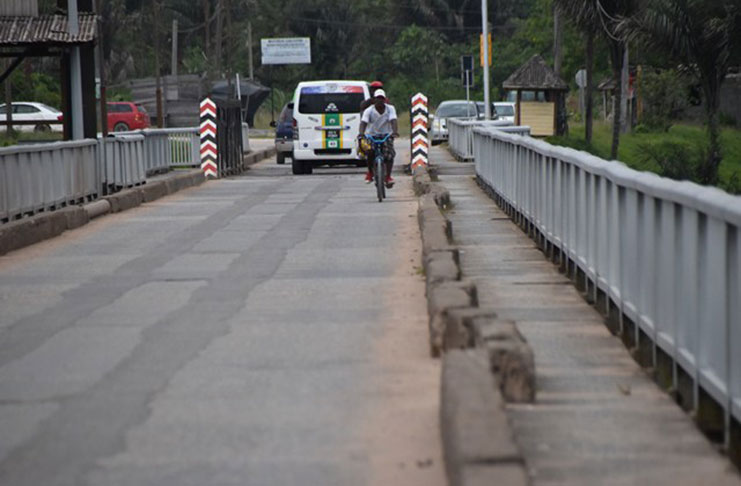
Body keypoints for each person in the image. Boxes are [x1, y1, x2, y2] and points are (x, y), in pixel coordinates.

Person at [358, 88, 399, 188]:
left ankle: (388, 176)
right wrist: (361, 134)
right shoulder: (369, 110)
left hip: (386, 134)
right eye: (378, 98)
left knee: (389, 155)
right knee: (369, 152)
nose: (380, 101)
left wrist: (394, 132)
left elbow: (393, 121)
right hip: (371, 135)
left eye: (382, 99)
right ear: (374, 100)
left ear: (385, 100)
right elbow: (363, 123)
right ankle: (370, 173)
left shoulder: (390, 109)